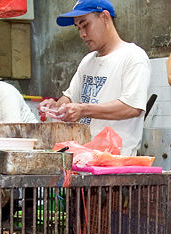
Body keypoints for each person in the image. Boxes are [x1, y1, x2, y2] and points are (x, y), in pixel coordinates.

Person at [39, 0, 151, 156]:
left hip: (113, 161)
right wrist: (55, 108)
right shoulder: (88, 61)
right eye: (78, 28)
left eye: (86, 25)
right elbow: (70, 98)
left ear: (105, 17)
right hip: (83, 157)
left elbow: (132, 107)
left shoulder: (133, 56)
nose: (82, 34)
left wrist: (83, 109)